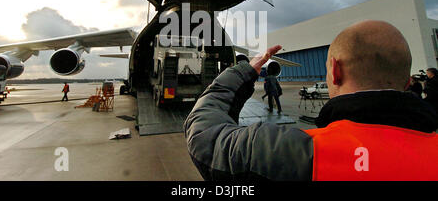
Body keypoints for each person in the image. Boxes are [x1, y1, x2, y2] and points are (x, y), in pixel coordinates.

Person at [184, 20, 438, 180]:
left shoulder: (292, 152)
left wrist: (245, 70)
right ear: (408, 83)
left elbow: (204, 135)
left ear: (335, 71)